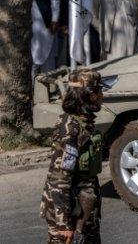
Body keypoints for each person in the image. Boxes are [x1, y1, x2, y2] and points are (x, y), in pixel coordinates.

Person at [40, 69, 105, 243]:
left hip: (84, 211)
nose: (102, 95)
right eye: (99, 91)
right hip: (68, 214)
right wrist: (64, 225)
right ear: (89, 94)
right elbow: (59, 178)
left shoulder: (84, 121)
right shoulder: (69, 128)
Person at [31, 0, 60, 76]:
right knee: (31, 61)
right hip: (30, 24)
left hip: (45, 23)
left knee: (47, 60)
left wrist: (54, 19)